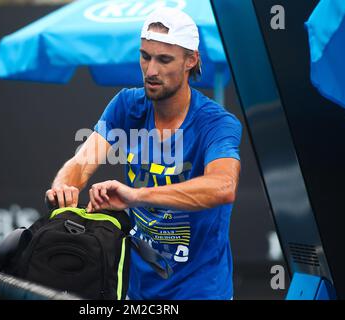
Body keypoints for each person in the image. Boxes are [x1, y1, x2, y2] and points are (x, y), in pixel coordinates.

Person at [45, 7, 242, 300]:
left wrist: (135, 196)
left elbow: (223, 187)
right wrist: (64, 186)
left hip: (201, 292)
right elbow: (81, 163)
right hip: (137, 292)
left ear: (191, 60)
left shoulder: (217, 123)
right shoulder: (127, 105)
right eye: (145, 56)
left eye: (164, 59)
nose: (151, 71)